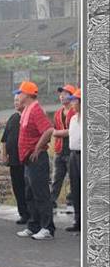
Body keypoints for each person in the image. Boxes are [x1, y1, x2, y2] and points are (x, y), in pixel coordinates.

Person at [14, 81, 55, 240]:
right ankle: (34, 225)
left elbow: (48, 130)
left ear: (28, 94)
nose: (19, 95)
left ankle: (47, 228)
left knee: (41, 194)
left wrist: (38, 148)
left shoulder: (36, 110)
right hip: (28, 160)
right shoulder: (27, 110)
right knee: (30, 194)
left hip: (36, 158)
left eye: (21, 92)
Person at [1, 94, 31, 224]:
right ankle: (23, 214)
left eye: (18, 100)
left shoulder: (29, 116)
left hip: (26, 160)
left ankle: (32, 214)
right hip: (13, 160)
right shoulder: (13, 118)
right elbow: (4, 139)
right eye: (14, 100)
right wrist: (4, 155)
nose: (16, 103)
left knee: (27, 187)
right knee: (17, 187)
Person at [57, 88, 81, 232]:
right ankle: (78, 221)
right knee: (75, 188)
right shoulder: (73, 118)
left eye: (75, 100)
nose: (72, 102)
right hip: (73, 155)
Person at [51, 84, 77, 211]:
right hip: (59, 149)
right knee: (56, 177)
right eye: (61, 94)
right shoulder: (57, 113)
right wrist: (59, 132)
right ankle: (52, 201)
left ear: (72, 96)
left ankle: (71, 202)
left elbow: (72, 131)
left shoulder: (76, 112)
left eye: (65, 94)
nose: (62, 96)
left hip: (71, 150)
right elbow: (54, 129)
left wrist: (58, 133)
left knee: (73, 178)